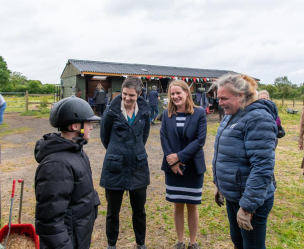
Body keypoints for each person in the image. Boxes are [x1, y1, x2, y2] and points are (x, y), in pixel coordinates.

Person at [211, 74, 277, 249]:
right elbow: (225, 155)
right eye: (219, 98)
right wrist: (219, 183)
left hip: (250, 199)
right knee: (238, 241)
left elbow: (263, 167)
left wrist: (247, 207)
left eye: (224, 98)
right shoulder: (231, 115)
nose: (220, 103)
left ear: (241, 95)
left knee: (252, 246)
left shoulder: (258, 119)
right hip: (235, 194)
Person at [34, 96, 101, 249]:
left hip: (78, 236)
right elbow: (50, 221)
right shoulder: (56, 165)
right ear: (74, 126)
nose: (91, 127)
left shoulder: (77, 152)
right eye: (88, 123)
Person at [100, 76, 151, 249]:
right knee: (112, 212)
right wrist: (118, 151)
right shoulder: (111, 111)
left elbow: (144, 136)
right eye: (124, 94)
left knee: (139, 211)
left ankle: (141, 244)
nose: (127, 99)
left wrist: (134, 151)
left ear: (139, 94)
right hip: (115, 166)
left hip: (138, 166)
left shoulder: (144, 111)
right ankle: (111, 245)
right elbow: (105, 137)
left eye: (131, 95)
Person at [160, 80, 207, 249]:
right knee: (177, 205)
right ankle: (180, 241)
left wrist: (179, 157)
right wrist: (172, 161)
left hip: (193, 166)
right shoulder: (167, 114)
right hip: (172, 167)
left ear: (187, 92)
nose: (175, 96)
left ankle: (193, 242)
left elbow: (200, 140)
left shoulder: (199, 113)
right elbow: (164, 138)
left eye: (178, 93)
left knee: (192, 206)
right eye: (172, 94)